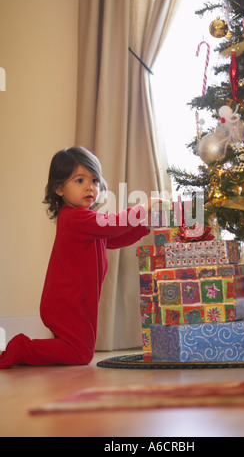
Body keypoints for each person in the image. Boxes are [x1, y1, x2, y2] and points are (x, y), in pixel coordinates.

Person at [0, 146, 155, 368]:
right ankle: (23, 348)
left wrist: (144, 225)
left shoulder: (87, 221)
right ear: (60, 188)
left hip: (79, 301)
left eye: (94, 180)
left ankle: (35, 351)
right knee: (80, 354)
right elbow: (113, 225)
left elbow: (114, 238)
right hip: (66, 301)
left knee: (79, 349)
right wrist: (142, 209)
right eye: (79, 181)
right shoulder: (74, 218)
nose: (90, 187)